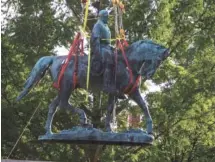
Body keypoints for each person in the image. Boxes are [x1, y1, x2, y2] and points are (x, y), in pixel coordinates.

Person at [90, 10, 119, 95]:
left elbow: (107, 41)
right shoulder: (98, 25)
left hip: (107, 47)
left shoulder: (105, 25)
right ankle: (106, 85)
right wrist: (97, 52)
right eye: (106, 16)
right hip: (101, 48)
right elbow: (95, 40)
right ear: (102, 16)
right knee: (108, 59)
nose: (108, 18)